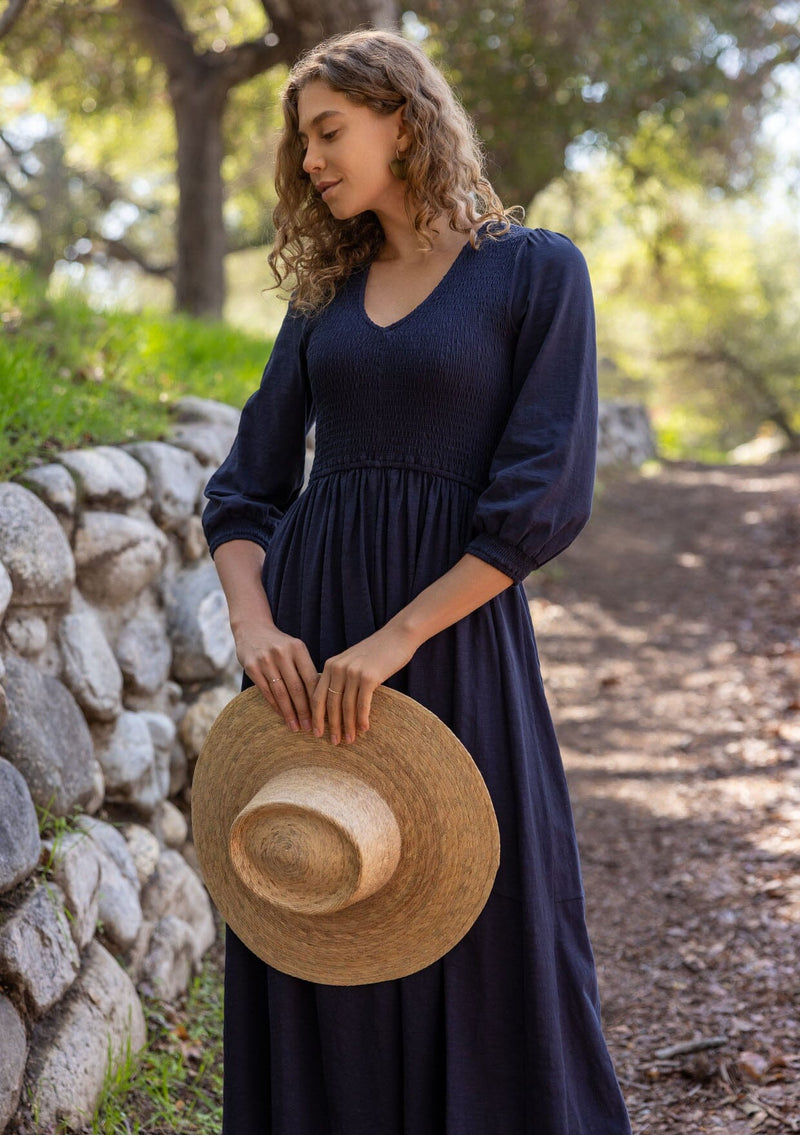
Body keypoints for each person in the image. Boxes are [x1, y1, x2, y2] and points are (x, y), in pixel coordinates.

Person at [201, 26, 631, 1135]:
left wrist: (398, 637)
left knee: (481, 911)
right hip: (308, 645)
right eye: (302, 143)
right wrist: (254, 624)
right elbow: (244, 490)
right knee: (320, 900)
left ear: (402, 119)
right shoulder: (323, 297)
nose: (309, 161)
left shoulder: (535, 272)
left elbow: (543, 496)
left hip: (450, 639)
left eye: (327, 132)